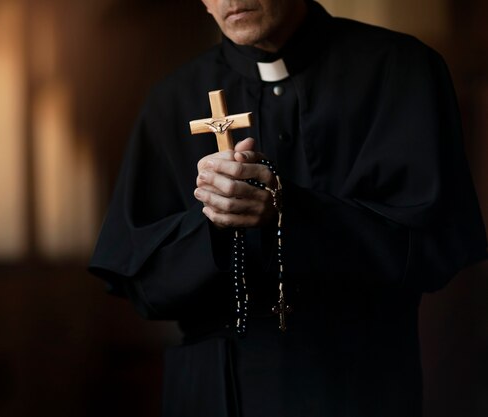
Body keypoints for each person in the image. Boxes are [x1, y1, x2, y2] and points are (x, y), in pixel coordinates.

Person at [89, 1, 487, 416]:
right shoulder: (171, 98)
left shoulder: (401, 70)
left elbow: (433, 248)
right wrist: (216, 222)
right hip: (215, 394)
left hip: (355, 388)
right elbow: (143, 287)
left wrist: (288, 212)